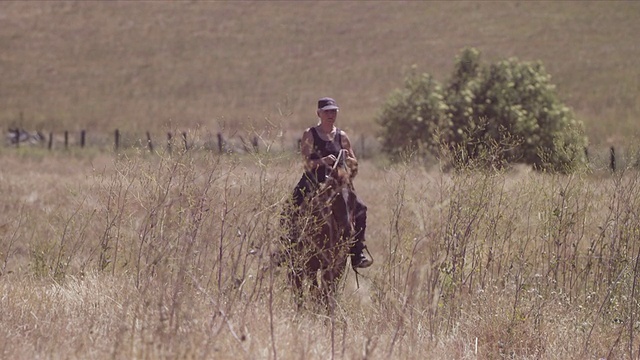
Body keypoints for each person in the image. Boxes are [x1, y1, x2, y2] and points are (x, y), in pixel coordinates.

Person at [279, 97, 373, 269]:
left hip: (338, 181)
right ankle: (286, 248)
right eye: (327, 111)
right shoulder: (310, 133)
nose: (331, 114)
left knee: (360, 208)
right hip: (313, 180)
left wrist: (348, 158)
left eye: (333, 111)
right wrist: (323, 161)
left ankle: (357, 251)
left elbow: (355, 163)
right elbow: (306, 163)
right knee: (290, 206)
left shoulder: (342, 136)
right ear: (319, 113)